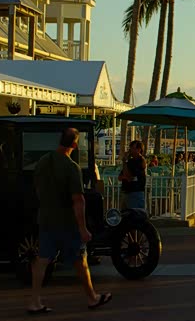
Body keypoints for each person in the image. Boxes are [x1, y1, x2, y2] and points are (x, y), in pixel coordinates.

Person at [28, 128, 111, 314]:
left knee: (42, 260)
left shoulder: (43, 162)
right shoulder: (71, 167)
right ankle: (92, 297)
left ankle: (34, 301)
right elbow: (78, 200)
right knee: (80, 260)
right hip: (67, 222)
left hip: (46, 219)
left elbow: (37, 188)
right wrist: (83, 228)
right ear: (74, 144)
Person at [119, 140, 146, 209]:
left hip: (135, 193)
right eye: (131, 148)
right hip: (127, 192)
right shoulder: (130, 161)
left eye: (133, 148)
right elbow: (120, 177)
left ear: (139, 149)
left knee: (134, 213)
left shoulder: (140, 161)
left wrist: (125, 161)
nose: (131, 150)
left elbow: (129, 176)